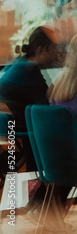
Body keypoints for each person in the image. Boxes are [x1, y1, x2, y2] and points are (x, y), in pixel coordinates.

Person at [0, 26, 60, 171]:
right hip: (21, 134)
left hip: (10, 131)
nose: (57, 53)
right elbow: (48, 109)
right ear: (41, 49)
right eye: (54, 48)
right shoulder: (28, 70)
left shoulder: (18, 63)